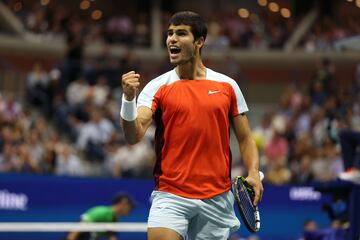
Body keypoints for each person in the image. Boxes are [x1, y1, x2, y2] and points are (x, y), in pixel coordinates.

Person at [120, 11, 263, 240]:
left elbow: (245, 138)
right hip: (171, 195)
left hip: (217, 197)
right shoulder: (157, 86)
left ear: (200, 41)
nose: (172, 39)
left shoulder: (227, 86)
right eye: (170, 34)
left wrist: (254, 173)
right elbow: (133, 134)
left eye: (181, 33)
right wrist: (128, 99)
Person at [67, 193, 135, 240]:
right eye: (129, 206)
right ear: (122, 204)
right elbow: (77, 230)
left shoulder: (115, 220)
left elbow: (112, 237)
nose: (130, 209)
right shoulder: (101, 212)